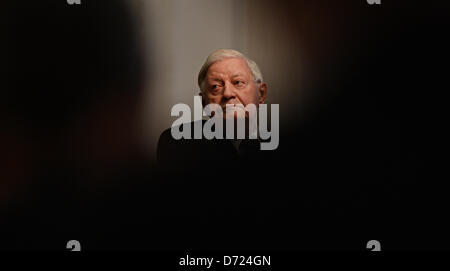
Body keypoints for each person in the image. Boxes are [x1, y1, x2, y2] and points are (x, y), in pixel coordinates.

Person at [157, 49, 273, 173]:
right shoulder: (179, 144)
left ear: (261, 94)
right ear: (204, 103)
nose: (228, 93)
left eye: (238, 82)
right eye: (216, 87)